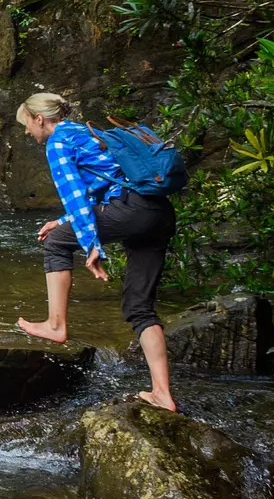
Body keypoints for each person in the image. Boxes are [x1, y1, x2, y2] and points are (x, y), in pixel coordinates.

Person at [13, 92, 180, 412]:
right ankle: (163, 394)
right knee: (139, 307)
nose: (26, 132)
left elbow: (75, 195)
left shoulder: (58, 142)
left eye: (26, 124)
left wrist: (89, 243)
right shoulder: (86, 132)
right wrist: (64, 221)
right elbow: (101, 186)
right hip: (158, 213)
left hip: (130, 210)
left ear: (39, 119)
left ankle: (55, 324)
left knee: (57, 243)